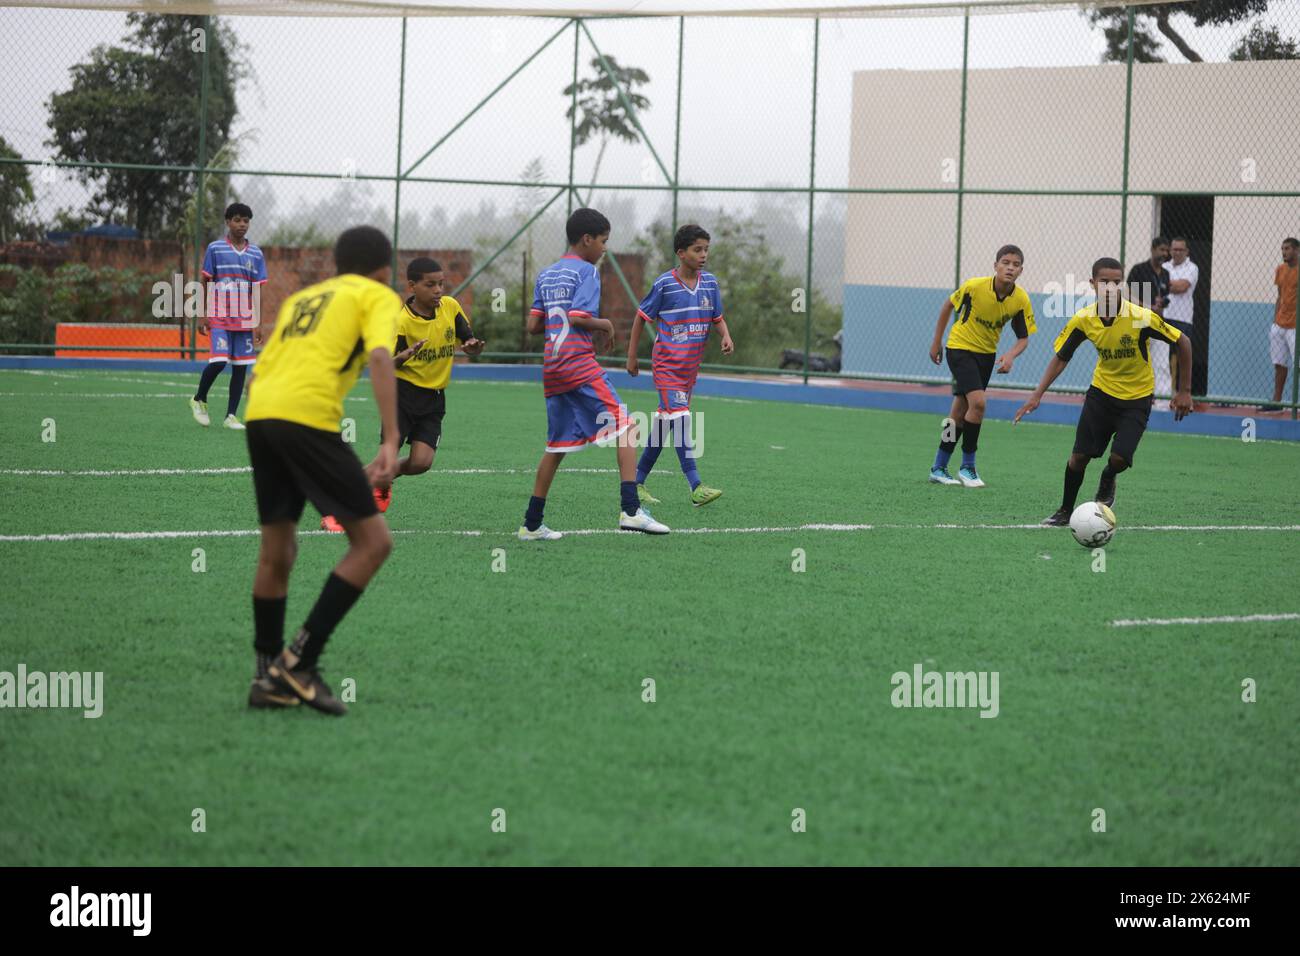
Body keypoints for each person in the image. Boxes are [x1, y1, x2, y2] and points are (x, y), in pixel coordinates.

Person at [243, 226, 402, 715]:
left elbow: (256, 371)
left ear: (337, 263)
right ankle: (299, 661)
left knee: (278, 549)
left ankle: (267, 675)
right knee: (374, 543)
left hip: (261, 414)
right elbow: (380, 355)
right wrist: (392, 438)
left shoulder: (302, 298)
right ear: (383, 269)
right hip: (306, 418)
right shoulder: (377, 294)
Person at [518, 208, 668, 540]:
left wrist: (558, 318)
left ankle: (531, 524)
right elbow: (578, 316)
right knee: (627, 428)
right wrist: (606, 324)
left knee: (557, 447)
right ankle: (631, 511)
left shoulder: (547, 274)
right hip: (577, 363)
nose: (604, 249)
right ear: (587, 239)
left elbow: (532, 325)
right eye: (603, 241)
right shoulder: (587, 271)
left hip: (552, 369)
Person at [1014, 257, 1192, 525]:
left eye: (1115, 282)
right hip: (1101, 395)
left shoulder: (1139, 317)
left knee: (1119, 459)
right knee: (1079, 457)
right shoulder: (1084, 319)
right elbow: (1061, 357)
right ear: (1092, 284)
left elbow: (1184, 341)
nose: (1110, 287)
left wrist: (1184, 391)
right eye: (1103, 282)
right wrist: (1037, 394)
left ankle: (1109, 476)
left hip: (1137, 398)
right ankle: (1064, 511)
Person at [320, 257, 484, 532]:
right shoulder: (401, 322)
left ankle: (384, 478)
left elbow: (467, 339)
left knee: (422, 463)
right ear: (412, 286)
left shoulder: (451, 308)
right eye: (430, 285)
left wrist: (472, 347)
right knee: (385, 459)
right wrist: (403, 357)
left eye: (441, 284)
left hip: (434, 399)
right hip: (402, 396)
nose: (438, 291)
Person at [626, 223, 734, 507]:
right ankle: (696, 486)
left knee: (663, 426)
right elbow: (641, 317)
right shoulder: (664, 284)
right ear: (681, 253)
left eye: (706, 249)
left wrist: (726, 335)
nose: (703, 255)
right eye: (697, 250)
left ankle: (636, 483)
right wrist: (632, 356)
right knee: (682, 419)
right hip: (667, 368)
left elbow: (717, 317)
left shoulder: (709, 283)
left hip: (689, 372)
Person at [926, 245, 1036, 487]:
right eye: (1005, 262)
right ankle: (968, 467)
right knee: (978, 404)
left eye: (1015, 264)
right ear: (995, 265)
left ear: (1021, 270)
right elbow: (947, 305)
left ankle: (938, 466)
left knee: (957, 414)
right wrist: (936, 342)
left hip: (986, 356)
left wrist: (1010, 356)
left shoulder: (1020, 300)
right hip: (959, 348)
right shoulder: (975, 287)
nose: (1010, 267)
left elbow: (1024, 338)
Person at [190, 203, 267, 430]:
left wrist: (258, 321)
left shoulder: (256, 253)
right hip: (219, 315)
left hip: (244, 318)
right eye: (237, 220)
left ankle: (231, 416)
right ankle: (199, 399)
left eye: (245, 220)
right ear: (227, 222)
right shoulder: (215, 249)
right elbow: (206, 281)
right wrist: (203, 314)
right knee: (220, 361)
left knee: (241, 367)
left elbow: (258, 289)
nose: (242, 224)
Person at [1156, 237, 1198, 407]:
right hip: (1164, 317)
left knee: (1182, 358)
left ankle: (1183, 395)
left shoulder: (1192, 267)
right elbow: (1156, 286)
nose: (1176, 252)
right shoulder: (1164, 267)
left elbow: (1182, 287)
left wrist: (1164, 285)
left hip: (1183, 319)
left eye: (1180, 249)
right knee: (1163, 358)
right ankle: (1165, 396)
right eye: (1174, 249)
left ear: (1186, 251)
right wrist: (1166, 285)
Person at [1265, 237, 1299, 410]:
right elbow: (1280, 295)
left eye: (1288, 248)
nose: (1284, 252)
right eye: (1283, 248)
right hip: (1279, 325)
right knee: (1279, 364)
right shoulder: (1280, 269)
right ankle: (1276, 402)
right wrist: (1274, 321)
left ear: (1297, 250)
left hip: (1296, 327)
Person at [1126, 237, 1170, 316]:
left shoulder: (1165, 274)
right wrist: (1148, 307)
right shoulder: (1139, 270)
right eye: (1162, 250)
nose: (1165, 254)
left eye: (1167, 251)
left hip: (1157, 319)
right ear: (1152, 249)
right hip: (1138, 318)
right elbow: (1128, 296)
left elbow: (1165, 296)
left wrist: (1162, 303)